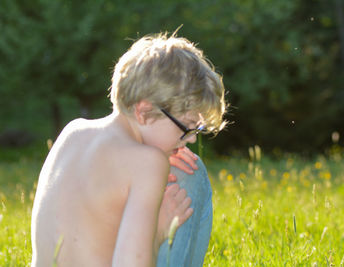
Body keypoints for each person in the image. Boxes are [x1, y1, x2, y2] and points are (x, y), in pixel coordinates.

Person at [31, 32, 226, 267]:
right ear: (143, 112)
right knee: (193, 172)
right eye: (186, 128)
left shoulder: (72, 132)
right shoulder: (149, 162)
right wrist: (160, 230)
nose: (192, 139)